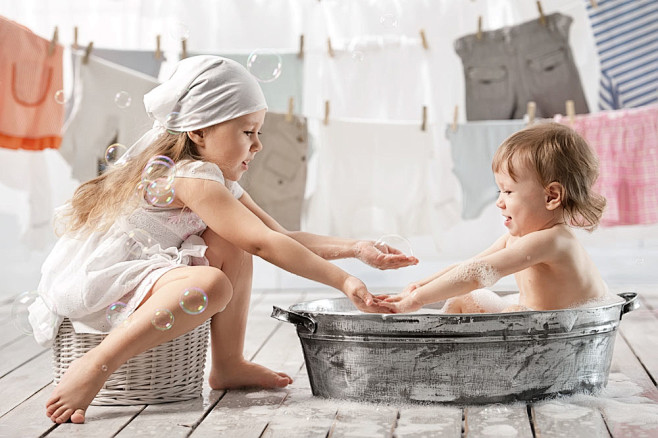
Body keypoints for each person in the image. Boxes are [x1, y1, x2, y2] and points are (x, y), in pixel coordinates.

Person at [29, 55, 417, 424]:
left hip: (147, 270)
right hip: (104, 279)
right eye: (247, 132)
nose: (258, 145)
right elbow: (265, 245)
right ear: (198, 130)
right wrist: (343, 280)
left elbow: (277, 236)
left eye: (258, 132)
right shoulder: (190, 175)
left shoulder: (218, 181)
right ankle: (96, 363)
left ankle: (228, 363)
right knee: (212, 283)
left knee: (233, 239)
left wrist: (356, 249)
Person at [382, 123, 608, 314]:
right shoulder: (518, 240)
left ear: (551, 196)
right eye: (500, 191)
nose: (499, 202)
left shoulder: (554, 240)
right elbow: (469, 266)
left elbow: (477, 275)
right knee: (467, 301)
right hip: (538, 326)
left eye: (508, 192)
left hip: (564, 333)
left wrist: (416, 301)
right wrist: (416, 287)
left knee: (499, 307)